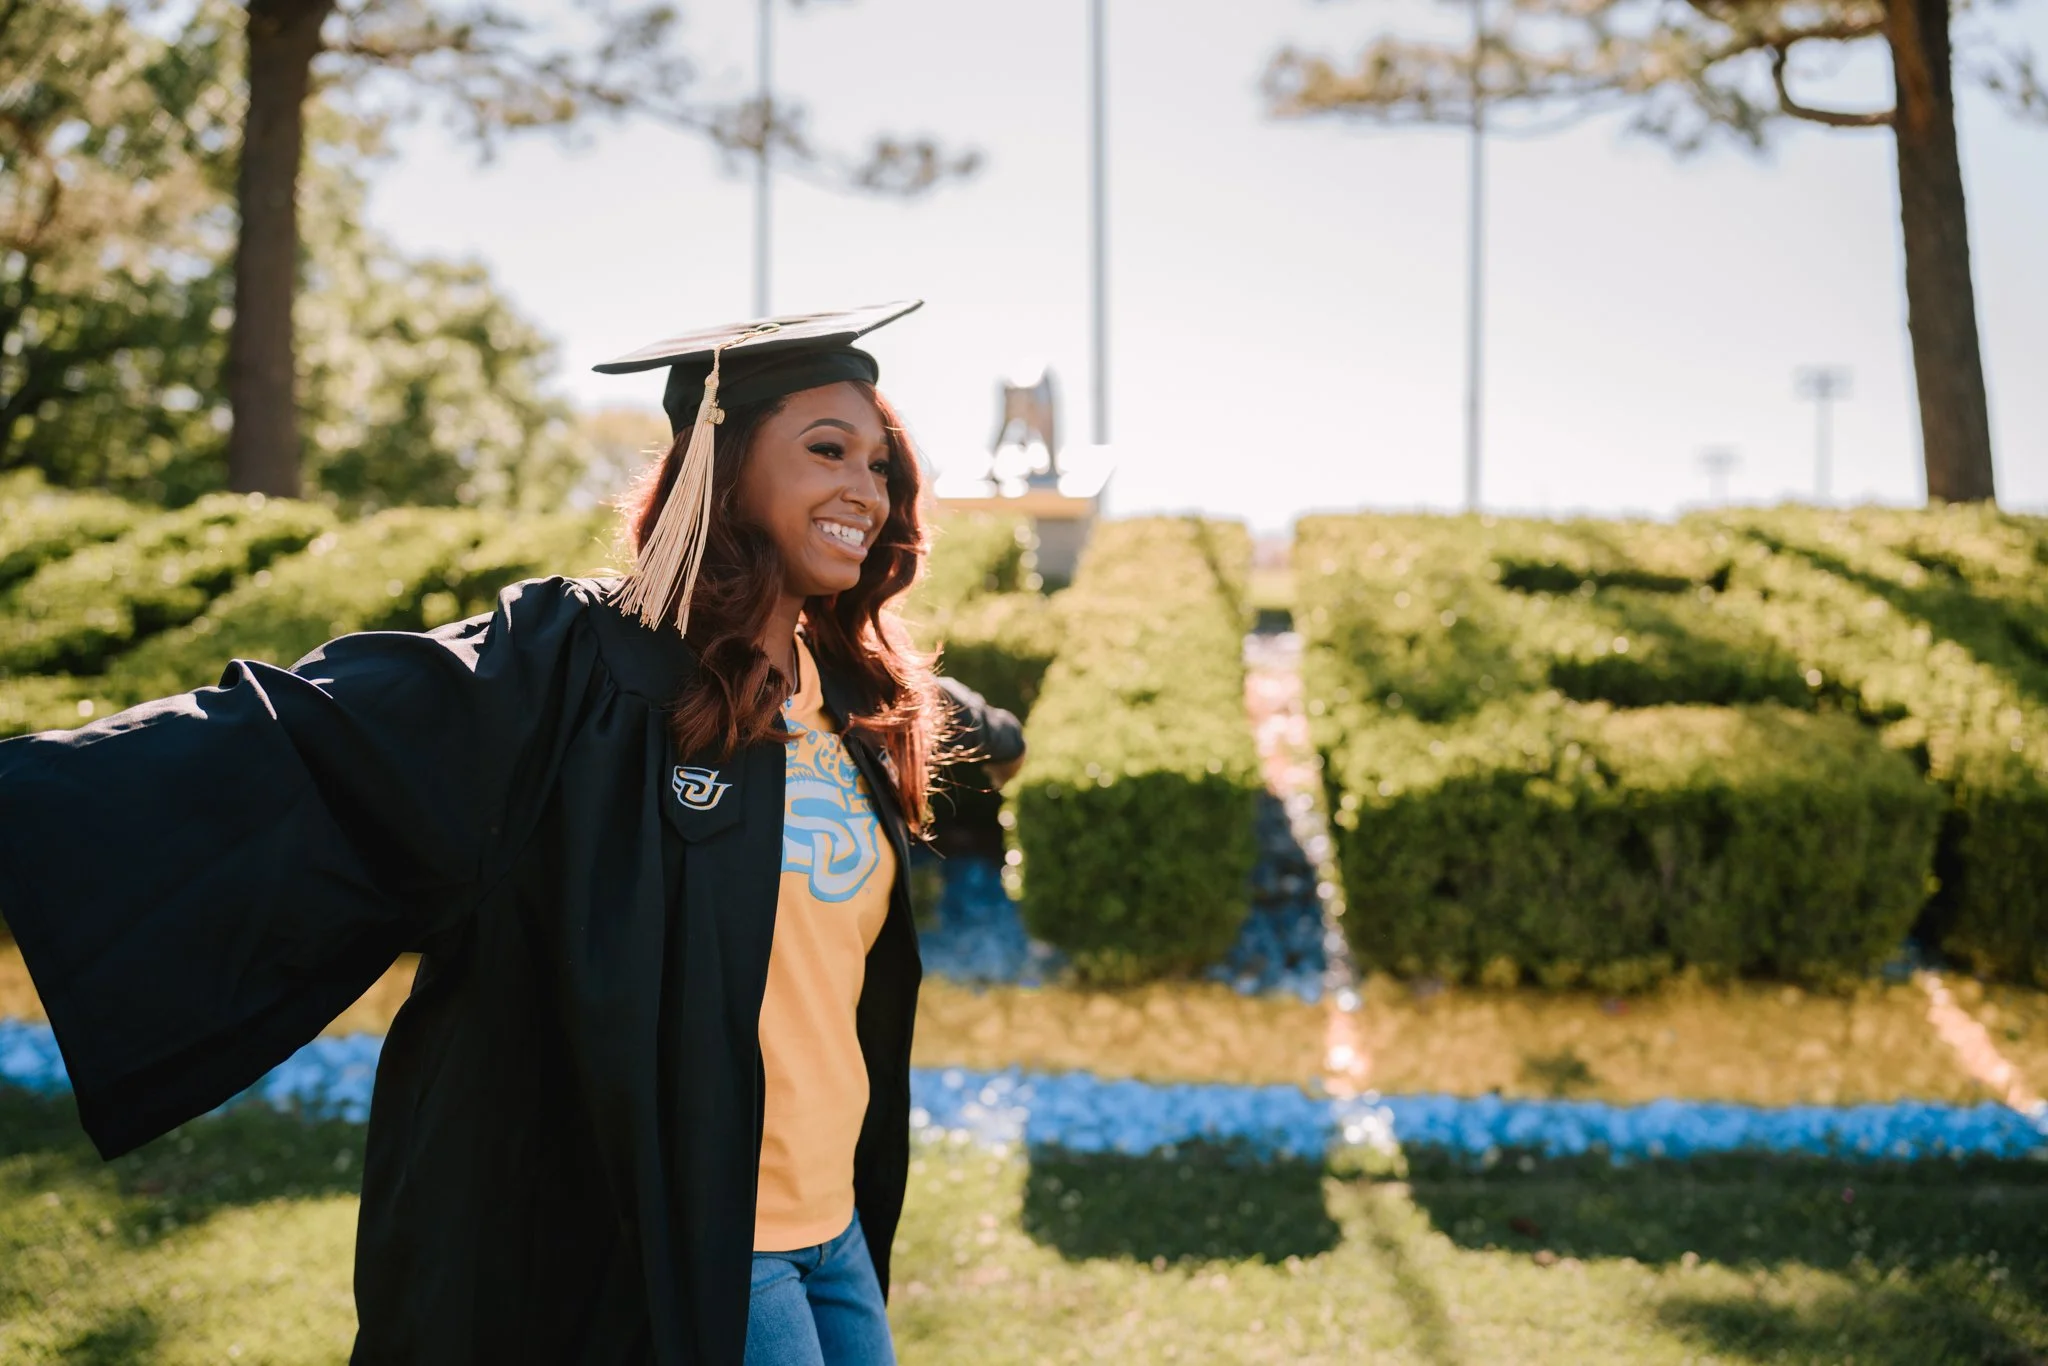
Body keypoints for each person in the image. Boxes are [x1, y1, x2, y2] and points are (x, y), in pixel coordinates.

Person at [0, 301, 1007, 1365]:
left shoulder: (850, 694)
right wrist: (29, 792)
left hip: (832, 1230)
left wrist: (1009, 740)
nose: (866, 484)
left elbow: (966, 725)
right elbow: (316, 731)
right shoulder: (583, 667)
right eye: (826, 449)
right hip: (709, 1245)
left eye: (881, 463)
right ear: (722, 463)